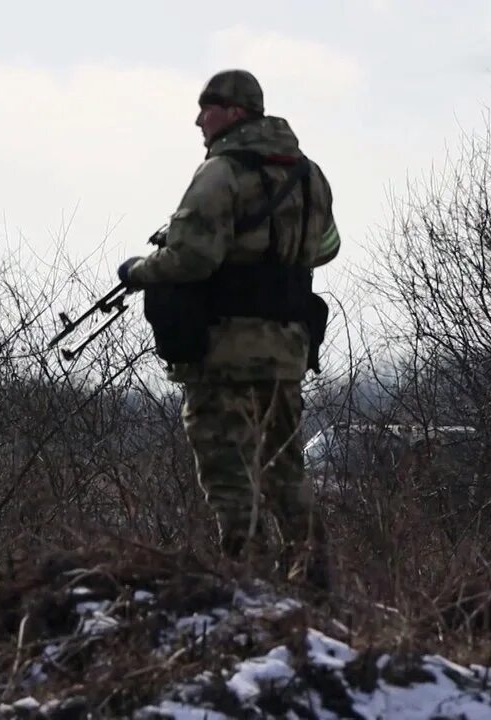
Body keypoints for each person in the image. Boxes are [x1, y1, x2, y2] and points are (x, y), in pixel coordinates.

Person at [117, 69, 342, 593]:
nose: (199, 119)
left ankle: (247, 586)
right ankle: (313, 582)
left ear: (235, 112)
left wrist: (138, 270)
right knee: (285, 470)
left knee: (229, 471)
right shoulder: (310, 174)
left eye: (208, 107)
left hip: (225, 353)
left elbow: (193, 258)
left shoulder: (219, 173)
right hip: (286, 352)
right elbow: (328, 247)